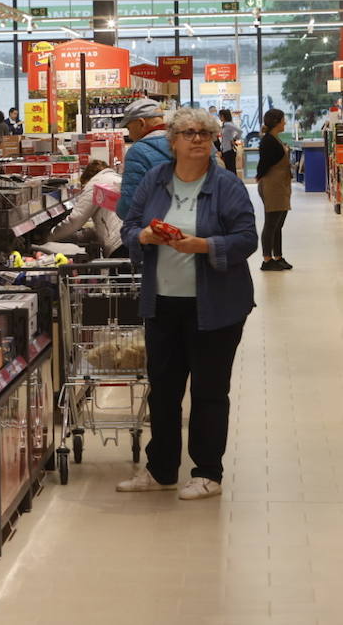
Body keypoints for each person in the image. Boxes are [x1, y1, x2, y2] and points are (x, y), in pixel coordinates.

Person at [118, 108, 258, 500]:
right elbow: (129, 225)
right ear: (173, 141)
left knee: (210, 391)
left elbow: (247, 238)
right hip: (162, 303)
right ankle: (160, 470)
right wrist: (143, 236)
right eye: (188, 133)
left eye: (204, 133)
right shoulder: (155, 180)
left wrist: (203, 246)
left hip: (215, 307)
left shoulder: (227, 186)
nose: (197, 139)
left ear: (214, 140)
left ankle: (207, 472)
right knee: (163, 390)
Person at [48, 159, 123, 255]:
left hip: (119, 242)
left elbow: (76, 219)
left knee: (124, 268)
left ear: (87, 179)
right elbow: (106, 220)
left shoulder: (95, 183)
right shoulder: (114, 178)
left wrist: (50, 237)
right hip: (130, 235)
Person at [115, 98, 171, 220]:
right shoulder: (194, 143)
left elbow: (129, 207)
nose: (129, 135)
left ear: (141, 123)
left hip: (161, 232)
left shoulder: (138, 152)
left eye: (129, 129)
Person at [255, 108, 292, 271]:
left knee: (278, 224)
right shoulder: (268, 141)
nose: (285, 122)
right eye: (283, 120)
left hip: (280, 184)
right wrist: (259, 176)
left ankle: (278, 256)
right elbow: (263, 163)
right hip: (272, 185)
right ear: (277, 122)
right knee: (271, 223)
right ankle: (267, 259)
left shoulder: (274, 138)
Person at [217, 109, 241, 174]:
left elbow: (239, 131)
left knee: (231, 170)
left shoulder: (228, 124)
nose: (219, 117)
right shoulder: (224, 125)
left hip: (229, 150)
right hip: (225, 150)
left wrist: (234, 139)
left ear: (223, 116)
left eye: (220, 116)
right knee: (228, 169)